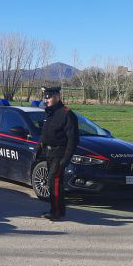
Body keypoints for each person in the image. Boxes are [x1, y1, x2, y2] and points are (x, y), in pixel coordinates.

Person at [39, 86, 79, 221]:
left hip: (59, 154)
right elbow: (47, 134)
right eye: (45, 97)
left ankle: (55, 212)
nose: (46, 100)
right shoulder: (50, 112)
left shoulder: (66, 114)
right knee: (55, 183)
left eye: (49, 97)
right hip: (49, 153)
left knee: (53, 182)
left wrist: (66, 158)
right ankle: (58, 209)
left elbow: (73, 139)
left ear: (57, 97)